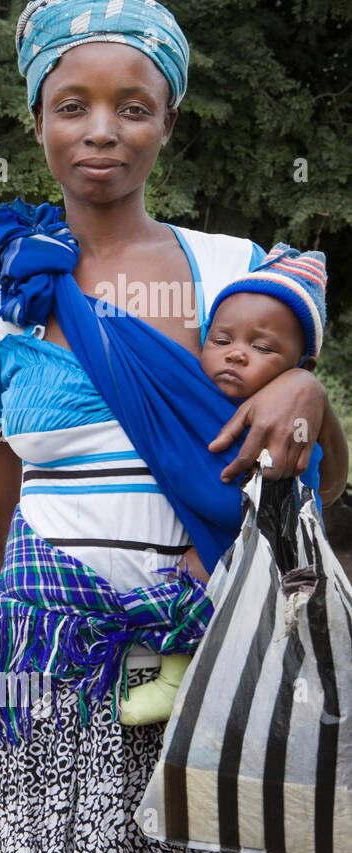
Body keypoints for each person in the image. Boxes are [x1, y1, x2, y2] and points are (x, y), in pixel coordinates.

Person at [0, 0, 347, 853]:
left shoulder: (233, 272)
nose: (102, 131)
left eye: (133, 107)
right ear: (38, 118)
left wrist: (312, 388)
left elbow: (316, 484)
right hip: (47, 648)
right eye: (72, 105)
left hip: (198, 647)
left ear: (168, 121)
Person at [121, 243, 341, 725]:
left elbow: (303, 490)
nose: (237, 354)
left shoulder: (289, 422)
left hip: (275, 559)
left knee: (196, 567)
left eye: (262, 349)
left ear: (299, 369)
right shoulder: (191, 401)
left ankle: (177, 678)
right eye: (221, 340)